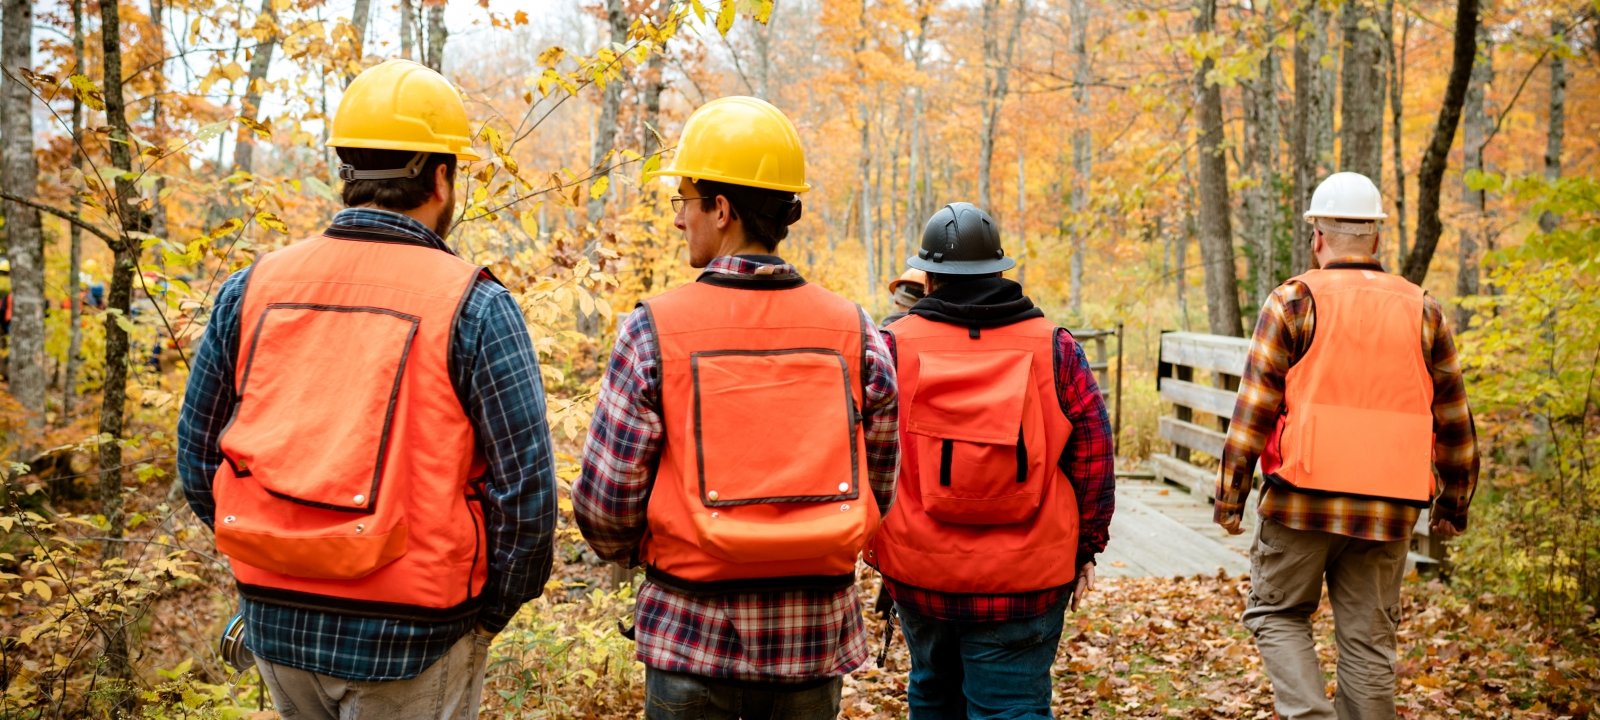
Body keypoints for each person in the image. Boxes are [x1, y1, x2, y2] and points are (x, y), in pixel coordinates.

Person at [177, 59, 558, 719]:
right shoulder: (474, 304)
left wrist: (272, 553)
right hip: (418, 637)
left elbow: (195, 455)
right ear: (442, 178)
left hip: (278, 627)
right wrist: (484, 615)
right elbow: (527, 495)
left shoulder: (251, 289)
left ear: (346, 172)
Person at [571, 96, 899, 720]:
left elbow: (606, 505)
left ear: (721, 209)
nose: (677, 221)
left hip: (692, 634)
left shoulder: (653, 331)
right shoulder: (854, 331)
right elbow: (881, 483)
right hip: (812, 639)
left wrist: (654, 548)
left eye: (684, 203)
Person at [1214, 171, 1479, 720]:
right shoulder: (1423, 309)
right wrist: (1453, 502)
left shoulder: (1293, 301)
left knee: (1278, 614)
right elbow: (1453, 416)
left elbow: (1253, 411)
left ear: (1317, 236)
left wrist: (1230, 496)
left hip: (1300, 496)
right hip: (1389, 505)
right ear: (1377, 239)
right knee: (1368, 640)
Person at [867, 202, 1116, 719]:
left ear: (928, 278)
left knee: (933, 692)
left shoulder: (892, 346)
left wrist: (875, 542)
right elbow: (1093, 454)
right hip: (1029, 576)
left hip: (921, 572)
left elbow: (867, 452)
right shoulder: (1055, 348)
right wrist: (1086, 546)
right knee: (1013, 708)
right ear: (1001, 272)